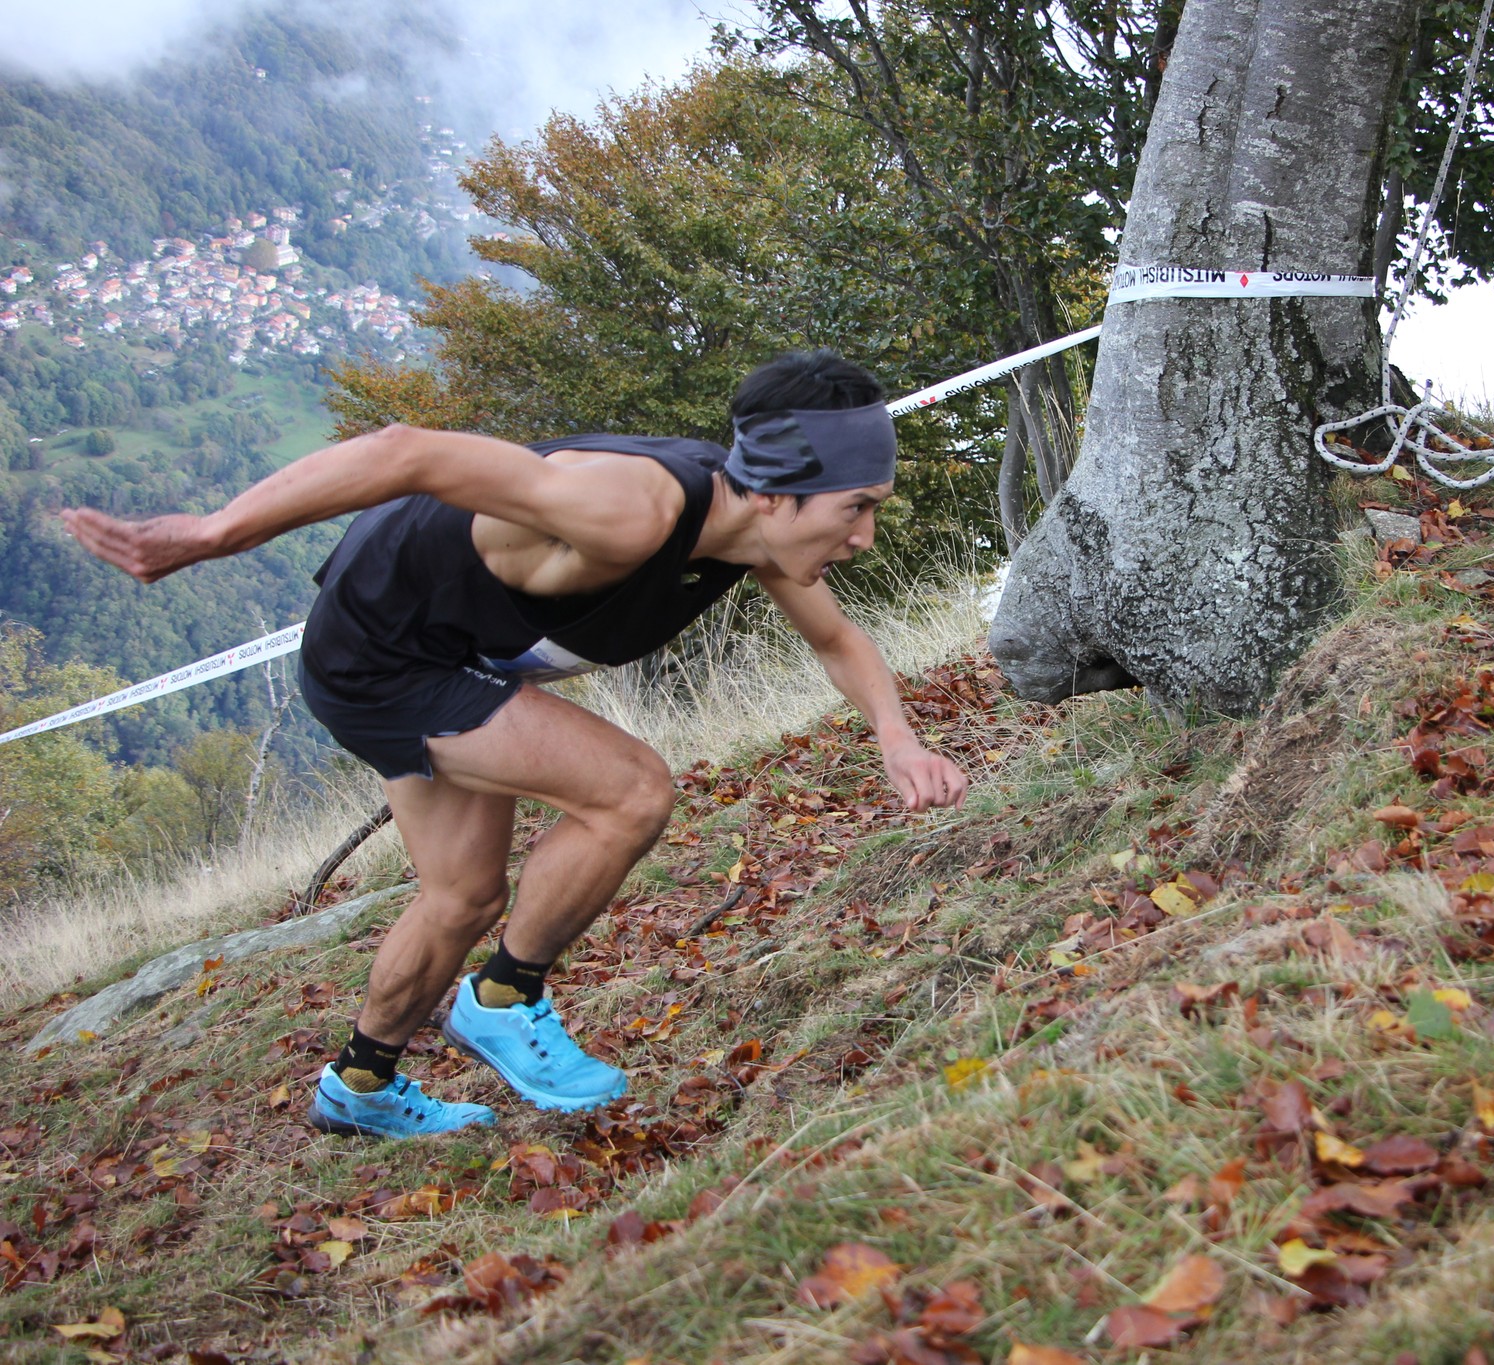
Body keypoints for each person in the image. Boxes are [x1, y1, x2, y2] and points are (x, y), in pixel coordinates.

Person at [59, 350, 969, 1139]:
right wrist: (214, 533)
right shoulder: (632, 508)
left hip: (443, 648)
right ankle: (505, 998)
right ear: (774, 490)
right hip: (382, 654)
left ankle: (359, 1085)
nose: (864, 536)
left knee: (462, 894)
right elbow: (406, 450)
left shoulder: (759, 536)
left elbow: (837, 641)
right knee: (631, 790)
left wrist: (897, 740)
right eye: (855, 507)